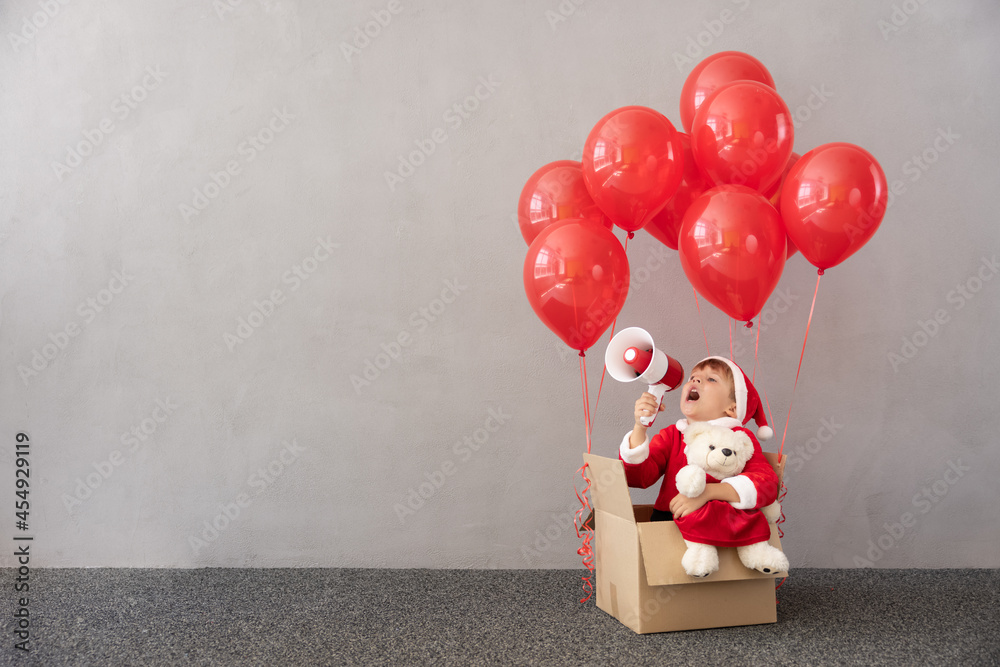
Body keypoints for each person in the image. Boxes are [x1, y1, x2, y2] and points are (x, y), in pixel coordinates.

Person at [618, 356, 784, 572]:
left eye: (711, 379)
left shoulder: (741, 440)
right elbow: (638, 478)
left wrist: (707, 493)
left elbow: (766, 483)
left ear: (732, 409)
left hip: (725, 527)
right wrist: (640, 427)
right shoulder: (673, 435)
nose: (695, 381)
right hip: (668, 524)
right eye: (693, 377)